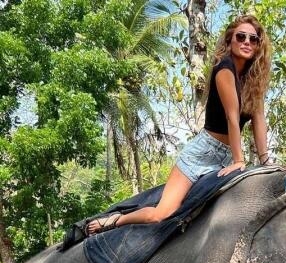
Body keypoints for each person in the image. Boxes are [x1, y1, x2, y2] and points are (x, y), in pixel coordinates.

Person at [87, 15, 273, 235]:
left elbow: (258, 119)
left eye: (253, 39)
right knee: (162, 214)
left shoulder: (253, 79)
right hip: (202, 153)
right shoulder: (224, 68)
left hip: (223, 158)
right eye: (241, 36)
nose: (247, 42)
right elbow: (232, 117)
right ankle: (115, 220)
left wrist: (266, 161)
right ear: (230, 40)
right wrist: (239, 160)